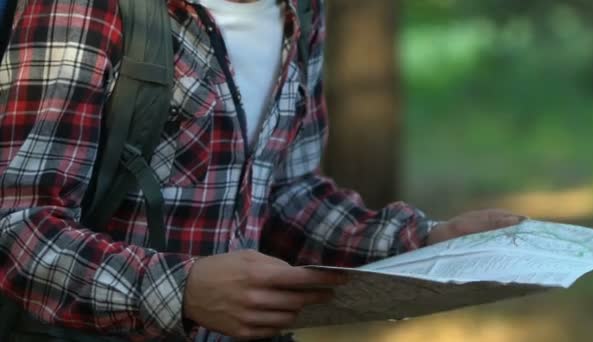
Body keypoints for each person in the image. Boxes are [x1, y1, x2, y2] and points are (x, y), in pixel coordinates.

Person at [0, 0, 525, 340]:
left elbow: (286, 194)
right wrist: (180, 290)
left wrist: (425, 241)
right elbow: (18, 227)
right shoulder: (88, 8)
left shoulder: (303, 13)